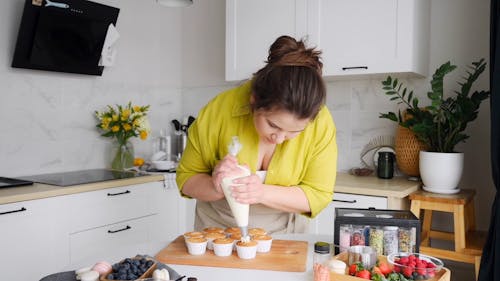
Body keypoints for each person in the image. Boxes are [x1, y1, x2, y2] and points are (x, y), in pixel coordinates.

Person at [176, 35, 337, 234]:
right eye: (273, 125)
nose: (279, 138)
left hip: (287, 236)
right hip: (216, 234)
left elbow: (318, 194)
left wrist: (261, 193)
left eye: (295, 132)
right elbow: (186, 179)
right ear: (254, 101)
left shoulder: (320, 121)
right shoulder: (218, 110)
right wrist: (215, 185)